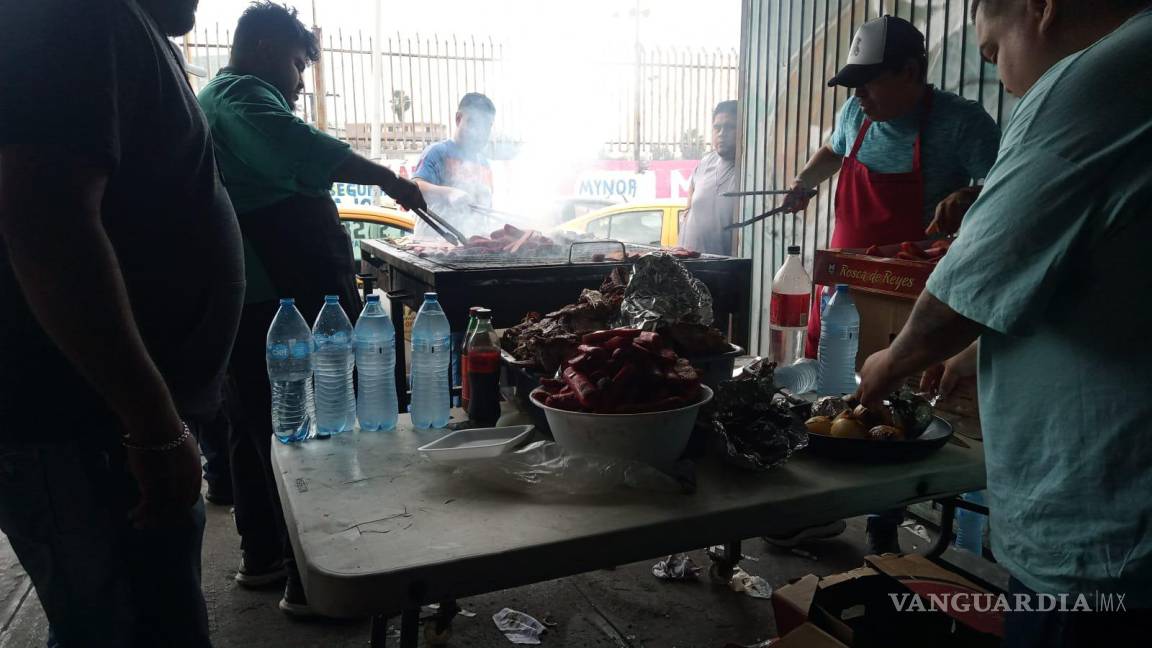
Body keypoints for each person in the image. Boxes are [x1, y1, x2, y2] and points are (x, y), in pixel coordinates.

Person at [857, 1, 1151, 644]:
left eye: (992, 53)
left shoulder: (1097, 79)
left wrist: (888, 363)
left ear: (1041, 9)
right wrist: (975, 355)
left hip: (1102, 549)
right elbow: (1096, 268)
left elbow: (966, 289)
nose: (1007, 83)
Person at [0, 0, 243, 646]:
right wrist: (153, 424)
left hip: (112, 432)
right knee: (131, 630)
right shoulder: (75, 12)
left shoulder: (125, 25)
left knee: (128, 622)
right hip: (89, 430)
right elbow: (46, 219)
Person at [197, 1, 425, 617]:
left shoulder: (224, 98)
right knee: (301, 436)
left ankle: (265, 555)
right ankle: (311, 581)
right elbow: (300, 147)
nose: (300, 82)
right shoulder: (240, 96)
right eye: (299, 64)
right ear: (268, 49)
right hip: (281, 303)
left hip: (263, 296)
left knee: (257, 432)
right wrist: (387, 177)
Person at [767, 15, 1002, 555]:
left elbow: (1007, 189)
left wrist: (973, 197)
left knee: (893, 409)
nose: (859, 96)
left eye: (870, 82)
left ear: (913, 72)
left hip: (909, 302)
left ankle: (884, 521)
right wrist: (804, 184)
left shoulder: (962, 123)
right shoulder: (857, 113)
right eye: (854, 85)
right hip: (843, 289)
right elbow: (833, 151)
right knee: (827, 403)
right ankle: (817, 512)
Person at [413, 92, 497, 239]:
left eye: (486, 126)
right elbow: (415, 186)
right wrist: (449, 193)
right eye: (474, 123)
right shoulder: (438, 152)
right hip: (433, 247)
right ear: (458, 119)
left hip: (473, 250)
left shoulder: (485, 165)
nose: (480, 132)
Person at [678, 100, 739, 256]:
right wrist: (688, 207)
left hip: (723, 270)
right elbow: (692, 185)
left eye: (730, 127)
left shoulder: (749, 172)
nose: (721, 133)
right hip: (689, 264)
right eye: (717, 128)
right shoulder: (706, 162)